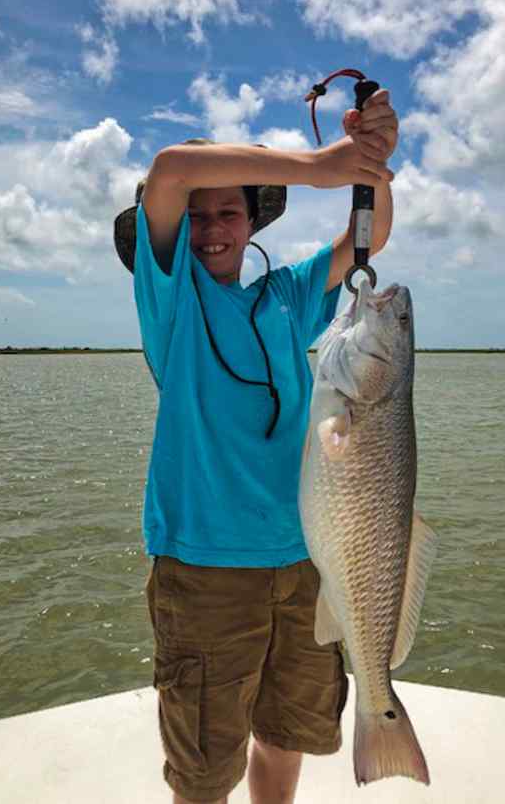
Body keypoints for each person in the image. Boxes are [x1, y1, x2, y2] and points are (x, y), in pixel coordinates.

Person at [113, 89, 399, 804]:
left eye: (229, 212)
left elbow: (367, 243)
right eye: (200, 215)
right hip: (205, 573)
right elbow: (170, 168)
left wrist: (374, 163)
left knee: (285, 738)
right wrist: (322, 165)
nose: (212, 229)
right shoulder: (172, 299)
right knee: (206, 773)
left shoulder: (287, 296)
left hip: (308, 560)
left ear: (251, 223)